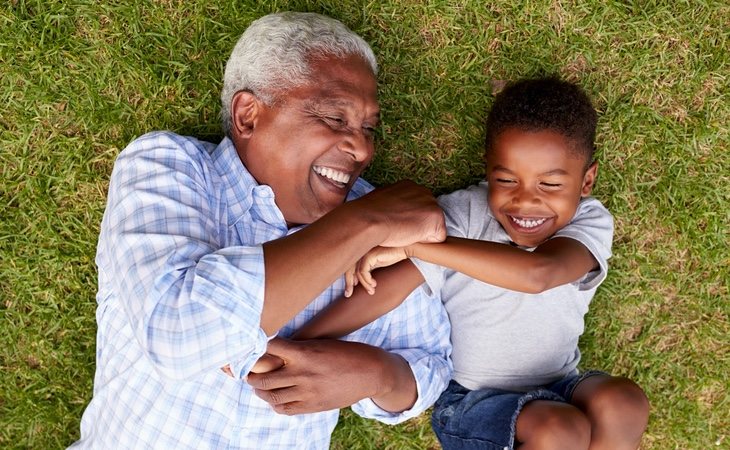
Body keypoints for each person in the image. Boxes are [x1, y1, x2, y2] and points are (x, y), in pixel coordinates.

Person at [69, 12, 453, 449]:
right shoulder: (167, 167)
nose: (363, 147)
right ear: (248, 115)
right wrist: (365, 222)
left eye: (368, 128)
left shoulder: (379, 219)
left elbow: (429, 365)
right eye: (334, 118)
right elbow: (179, 335)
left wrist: (375, 374)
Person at [288, 77, 650, 450]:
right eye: (506, 179)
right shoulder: (462, 214)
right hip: (472, 401)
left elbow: (541, 273)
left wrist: (419, 246)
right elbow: (388, 290)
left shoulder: (588, 221)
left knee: (624, 402)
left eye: (551, 185)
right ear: (488, 169)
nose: (525, 202)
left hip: (561, 382)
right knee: (560, 431)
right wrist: (300, 343)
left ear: (586, 180)